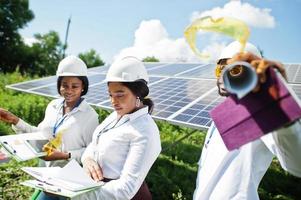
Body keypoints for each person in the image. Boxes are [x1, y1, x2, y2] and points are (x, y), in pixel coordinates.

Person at [193, 41, 301, 200]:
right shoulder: (223, 112)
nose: (224, 75)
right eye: (220, 68)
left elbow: (298, 164)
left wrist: (282, 116)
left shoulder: (263, 111)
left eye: (236, 69)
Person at [72, 57, 161, 200]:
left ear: (139, 93)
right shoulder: (115, 116)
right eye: (110, 95)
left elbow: (125, 190)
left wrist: (81, 193)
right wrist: (87, 159)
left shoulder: (145, 131)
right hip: (97, 191)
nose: (113, 101)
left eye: (120, 95)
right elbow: (95, 143)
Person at [0, 55, 99, 167]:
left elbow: (92, 151)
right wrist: (15, 120)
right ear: (59, 85)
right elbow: (40, 136)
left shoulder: (90, 115)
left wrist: (65, 155)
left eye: (74, 86)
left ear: (83, 87)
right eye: (64, 85)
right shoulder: (53, 106)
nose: (69, 91)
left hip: (70, 176)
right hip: (44, 172)